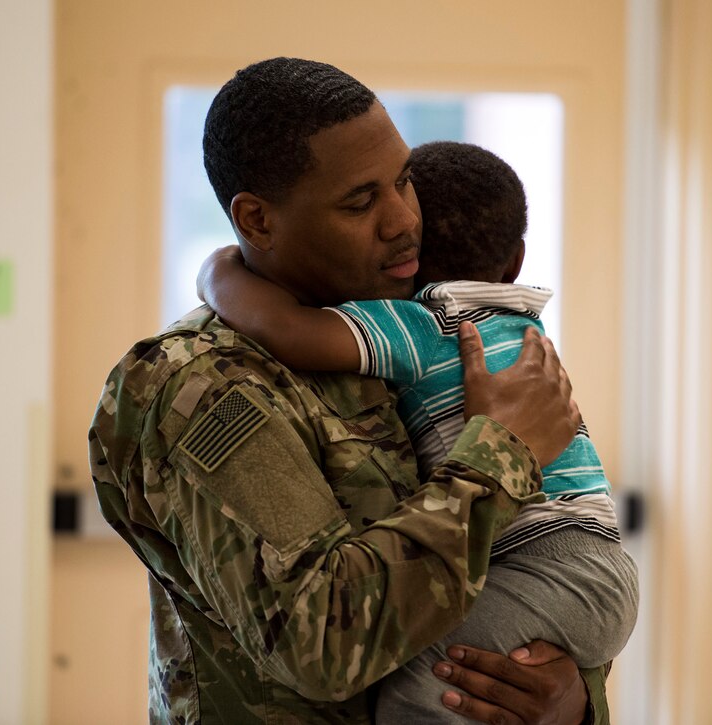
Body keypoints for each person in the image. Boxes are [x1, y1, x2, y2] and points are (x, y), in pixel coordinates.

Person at [88, 57, 610, 724]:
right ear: (257, 221)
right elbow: (322, 640)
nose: (403, 221)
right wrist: (499, 457)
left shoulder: (411, 331)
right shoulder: (205, 383)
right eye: (361, 201)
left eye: (404, 182)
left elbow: (535, 558)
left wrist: (567, 693)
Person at [198, 140, 639, 722]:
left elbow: (283, 327)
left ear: (409, 260)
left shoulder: (425, 326)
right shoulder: (525, 326)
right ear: (515, 263)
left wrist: (216, 271)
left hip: (542, 560)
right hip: (594, 557)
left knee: (421, 693)